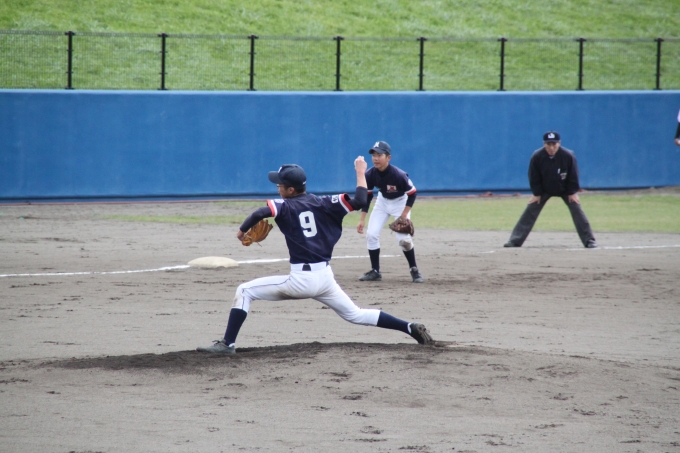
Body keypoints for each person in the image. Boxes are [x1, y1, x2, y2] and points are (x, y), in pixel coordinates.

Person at [197, 156, 434, 354]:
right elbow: (362, 199)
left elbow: (261, 212)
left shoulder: (285, 205)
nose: (277, 187)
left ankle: (227, 344)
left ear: (291, 189)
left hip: (301, 280)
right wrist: (361, 172)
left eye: (280, 184)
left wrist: (241, 232)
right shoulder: (324, 202)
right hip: (325, 279)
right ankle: (409, 327)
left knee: (244, 291)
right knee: (355, 314)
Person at [504, 131, 597, 249]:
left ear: (559, 143)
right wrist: (537, 193)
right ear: (544, 144)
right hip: (545, 189)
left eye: (554, 144)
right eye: (548, 144)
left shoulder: (568, 155)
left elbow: (573, 174)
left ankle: (589, 240)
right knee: (531, 209)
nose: (551, 147)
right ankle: (515, 240)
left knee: (576, 209)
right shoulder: (537, 156)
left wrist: (572, 192)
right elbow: (533, 176)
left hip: (565, 189)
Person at [356, 141, 424, 283]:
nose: (375, 158)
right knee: (371, 234)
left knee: (404, 240)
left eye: (379, 155)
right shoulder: (370, 174)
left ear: (388, 158)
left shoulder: (399, 175)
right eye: (373, 155)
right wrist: (362, 219)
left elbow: (413, 194)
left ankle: (414, 270)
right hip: (382, 202)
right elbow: (367, 197)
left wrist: (404, 215)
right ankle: (375, 271)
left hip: (400, 203)